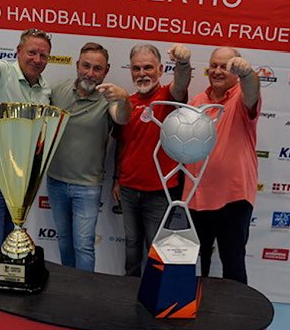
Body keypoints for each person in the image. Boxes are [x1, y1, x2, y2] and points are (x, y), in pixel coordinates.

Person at [0, 24, 53, 260]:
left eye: (43, 55)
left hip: (20, 179)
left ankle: (1, 295)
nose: (37, 59)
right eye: (32, 52)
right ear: (18, 51)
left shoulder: (45, 90)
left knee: (10, 243)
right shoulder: (0, 73)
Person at [46, 42, 129, 272]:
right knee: (64, 242)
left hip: (87, 187)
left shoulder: (110, 99)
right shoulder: (58, 91)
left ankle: (83, 296)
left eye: (97, 69)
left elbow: (122, 118)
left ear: (106, 71)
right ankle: (69, 288)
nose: (90, 73)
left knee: (83, 246)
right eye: (86, 66)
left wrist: (123, 100)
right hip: (55, 181)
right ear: (77, 65)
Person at [113, 44, 193, 277]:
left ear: (160, 69)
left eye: (148, 67)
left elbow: (182, 82)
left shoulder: (170, 97)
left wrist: (183, 63)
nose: (142, 73)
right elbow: (121, 145)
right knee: (131, 246)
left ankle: (155, 295)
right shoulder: (126, 103)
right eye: (137, 68)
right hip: (128, 190)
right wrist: (117, 179)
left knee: (156, 249)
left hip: (160, 192)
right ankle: (131, 292)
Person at [184, 47, 261, 284]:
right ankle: (194, 310)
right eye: (213, 66)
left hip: (233, 198)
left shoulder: (242, 98)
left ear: (236, 71)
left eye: (225, 67)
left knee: (233, 263)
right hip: (197, 197)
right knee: (195, 264)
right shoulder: (197, 101)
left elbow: (253, 90)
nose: (217, 71)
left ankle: (238, 319)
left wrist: (248, 75)